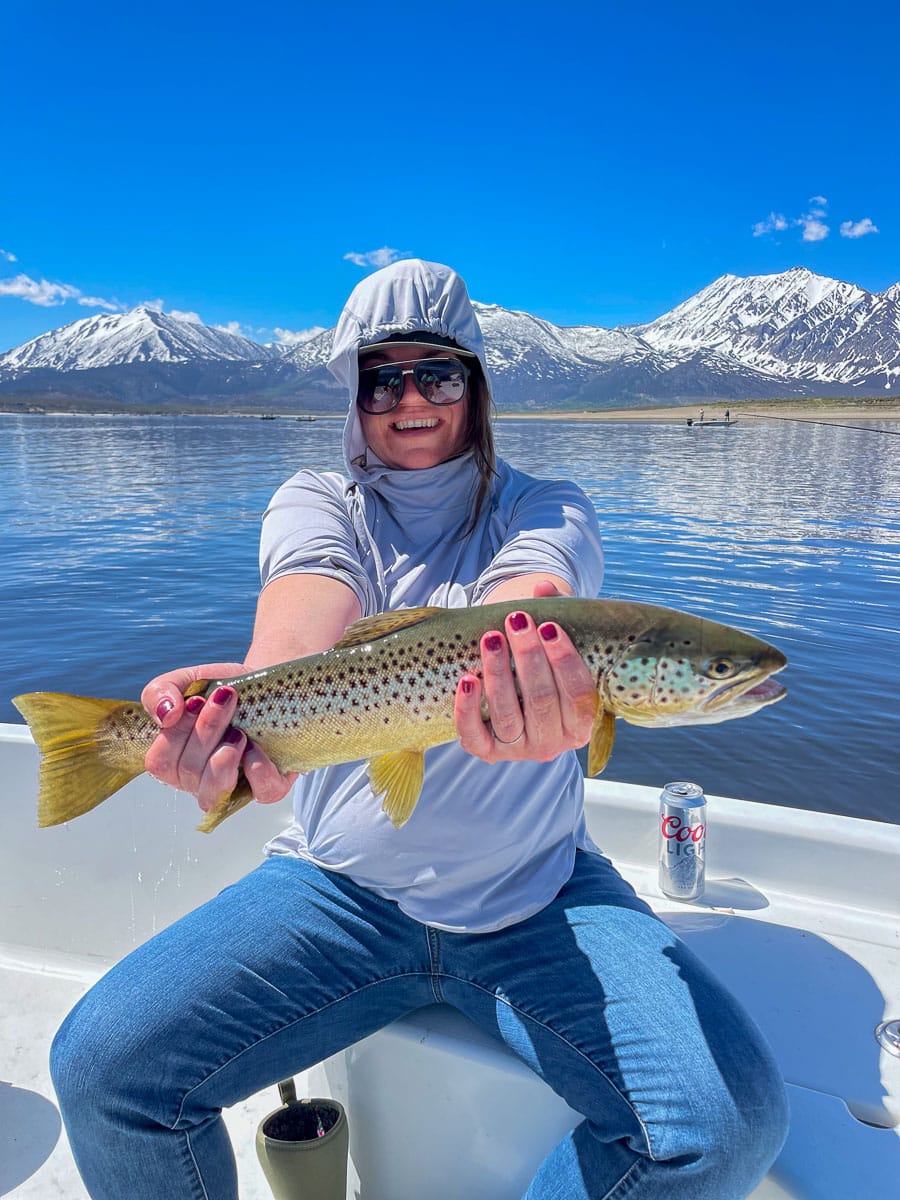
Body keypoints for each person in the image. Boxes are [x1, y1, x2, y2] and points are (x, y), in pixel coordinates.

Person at [50, 260, 788, 1199]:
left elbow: (533, 593)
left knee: (726, 1128)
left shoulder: (546, 506)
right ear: (350, 395)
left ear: (476, 386)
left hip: (540, 901)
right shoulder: (316, 501)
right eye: (381, 377)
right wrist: (249, 698)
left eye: (437, 374)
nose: (410, 399)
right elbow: (301, 612)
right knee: (103, 1069)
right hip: (334, 894)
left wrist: (521, 664)